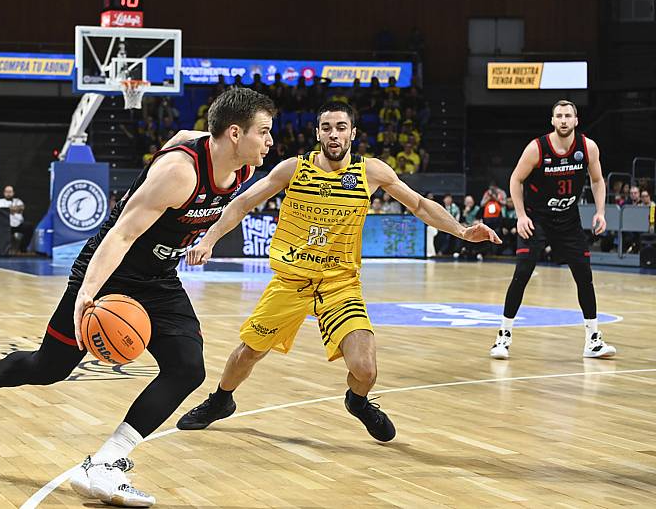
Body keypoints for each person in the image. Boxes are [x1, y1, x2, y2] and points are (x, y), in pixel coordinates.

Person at [0, 88, 277, 507]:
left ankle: (104, 464)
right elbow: (122, 234)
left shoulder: (238, 166)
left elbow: (187, 139)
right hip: (110, 271)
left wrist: (208, 238)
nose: (269, 141)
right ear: (234, 133)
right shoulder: (180, 172)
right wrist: (87, 293)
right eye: (263, 132)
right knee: (50, 367)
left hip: (157, 278)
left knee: (187, 367)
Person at [175, 101, 499, 442]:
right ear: (317, 133)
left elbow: (418, 205)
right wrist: (208, 240)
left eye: (340, 127)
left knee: (366, 369)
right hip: (292, 280)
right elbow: (240, 202)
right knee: (250, 351)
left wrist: (462, 231)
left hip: (340, 284)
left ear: (353, 133)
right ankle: (221, 400)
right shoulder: (292, 169)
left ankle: (357, 401)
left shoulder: (371, 172)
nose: (333, 134)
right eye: (326, 127)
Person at [490, 100, 616, 360]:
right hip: (537, 220)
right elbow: (516, 179)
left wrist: (601, 212)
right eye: (558, 115)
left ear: (576, 120)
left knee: (584, 276)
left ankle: (593, 339)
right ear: (552, 120)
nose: (563, 120)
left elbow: (597, 180)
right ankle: (503, 337)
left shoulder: (587, 147)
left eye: (568, 115)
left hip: (568, 220)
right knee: (522, 272)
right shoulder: (537, 148)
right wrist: (521, 215)